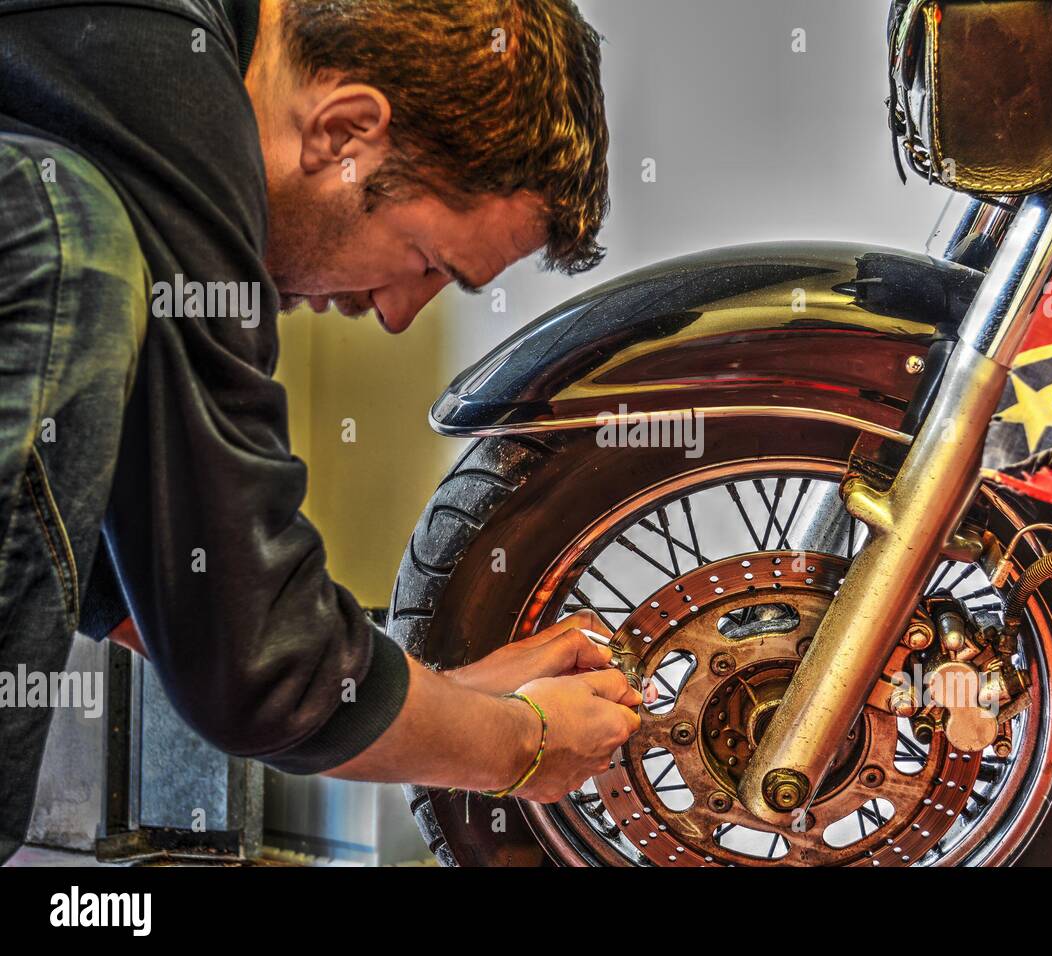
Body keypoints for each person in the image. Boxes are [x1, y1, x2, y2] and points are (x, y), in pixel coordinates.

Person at [0, 0, 640, 864]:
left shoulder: (150, 69)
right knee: (67, 247)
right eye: (427, 264)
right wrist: (520, 749)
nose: (396, 316)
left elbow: (186, 593)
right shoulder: (167, 88)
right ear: (343, 133)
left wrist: (446, 700)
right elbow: (254, 661)